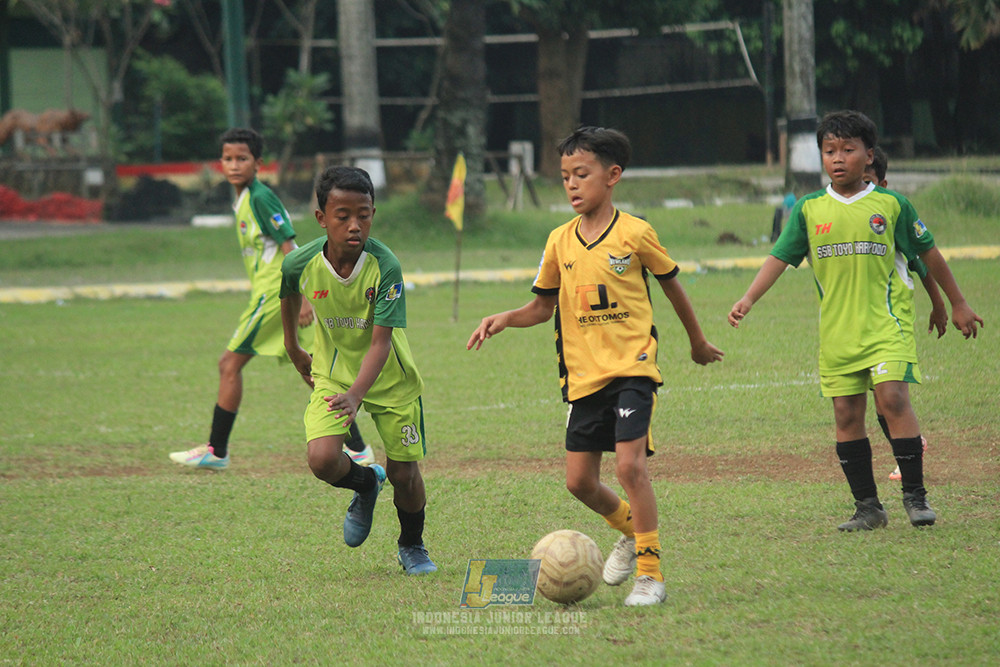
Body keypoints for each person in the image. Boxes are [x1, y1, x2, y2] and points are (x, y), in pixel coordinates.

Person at [467, 127, 723, 606]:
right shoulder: (559, 242)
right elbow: (542, 308)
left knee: (630, 466)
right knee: (579, 482)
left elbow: (672, 287)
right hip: (582, 375)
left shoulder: (635, 233)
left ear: (612, 176)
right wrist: (505, 318)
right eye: (564, 176)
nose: (571, 185)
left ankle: (650, 574)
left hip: (633, 367)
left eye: (581, 174)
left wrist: (697, 341)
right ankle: (630, 529)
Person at [728, 110, 983, 531]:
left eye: (849, 149)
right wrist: (748, 298)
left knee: (893, 400)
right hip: (838, 332)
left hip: (887, 326)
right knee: (847, 415)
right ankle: (868, 507)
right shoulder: (810, 209)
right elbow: (779, 258)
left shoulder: (892, 205)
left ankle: (915, 496)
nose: (838, 158)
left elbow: (929, 254)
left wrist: (955, 302)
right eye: (830, 150)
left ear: (869, 156)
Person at [280, 165, 436, 575]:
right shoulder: (300, 262)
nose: (354, 225)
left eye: (363, 215)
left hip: (390, 379)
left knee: (406, 473)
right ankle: (367, 483)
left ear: (373, 214)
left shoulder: (386, 266)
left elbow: (381, 343)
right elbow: (287, 293)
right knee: (322, 459)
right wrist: (293, 346)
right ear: (321, 218)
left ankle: (412, 545)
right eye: (342, 215)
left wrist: (356, 396)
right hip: (334, 373)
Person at [863, 146, 945, 481]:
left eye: (870, 182)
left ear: (882, 181)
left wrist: (940, 306)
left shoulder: (890, 218)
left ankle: (909, 457)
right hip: (858, 326)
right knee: (881, 404)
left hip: (891, 320)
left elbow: (922, 265)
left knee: (893, 395)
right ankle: (911, 445)